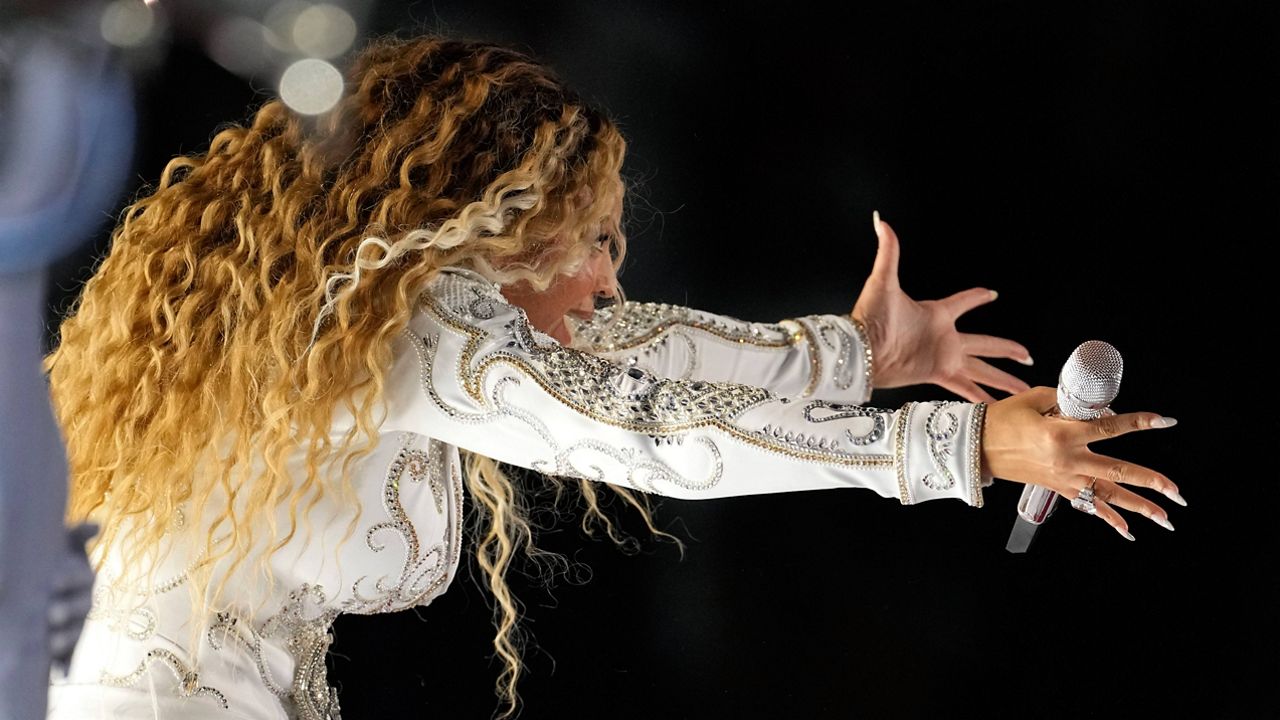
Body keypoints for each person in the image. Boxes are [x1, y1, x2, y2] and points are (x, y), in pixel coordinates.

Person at [43, 34, 1181, 720]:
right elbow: (641, 432)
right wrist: (961, 449)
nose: (604, 278)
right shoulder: (421, 330)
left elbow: (639, 361)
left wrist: (862, 357)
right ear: (488, 228)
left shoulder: (379, 319)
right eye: (587, 239)